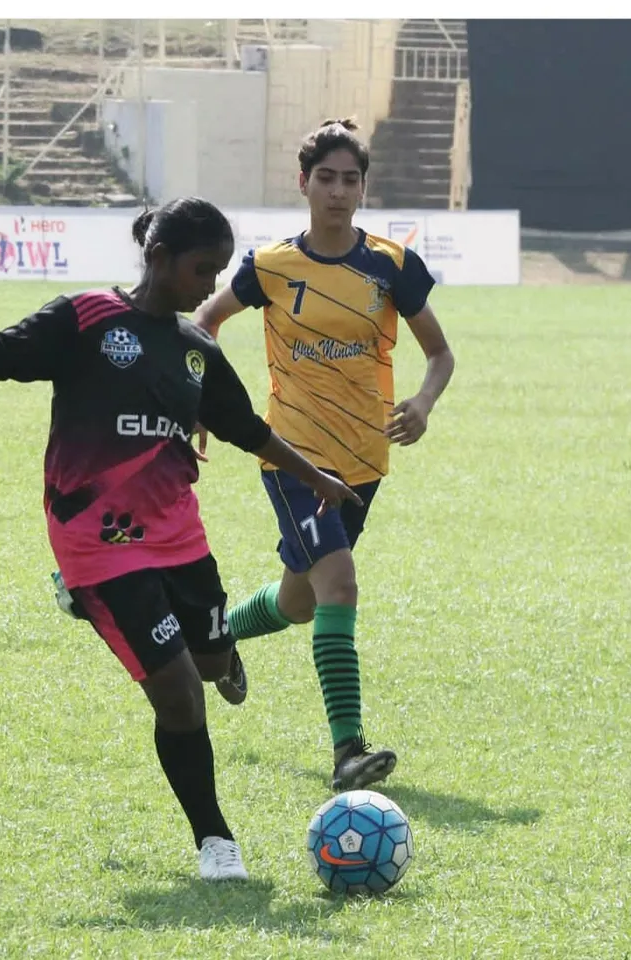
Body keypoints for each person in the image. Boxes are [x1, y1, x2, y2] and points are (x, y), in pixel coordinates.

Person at [0, 197, 362, 882]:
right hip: (95, 541)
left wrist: (316, 478)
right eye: (200, 270)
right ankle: (215, 842)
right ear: (158, 257)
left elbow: (243, 426)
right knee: (181, 696)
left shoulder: (197, 349)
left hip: (179, 537)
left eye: (218, 272)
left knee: (214, 669)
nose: (207, 287)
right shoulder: (86, 319)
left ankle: (218, 652)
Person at [195, 118, 456, 792]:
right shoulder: (272, 266)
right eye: (326, 178)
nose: (338, 192)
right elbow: (204, 323)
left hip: (365, 459)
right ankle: (348, 752)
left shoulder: (390, 265)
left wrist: (423, 403)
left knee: (301, 601)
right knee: (338, 584)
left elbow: (439, 353)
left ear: (362, 188)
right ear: (303, 182)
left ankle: (213, 642)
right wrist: (202, 401)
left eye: (350, 180)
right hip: (293, 456)